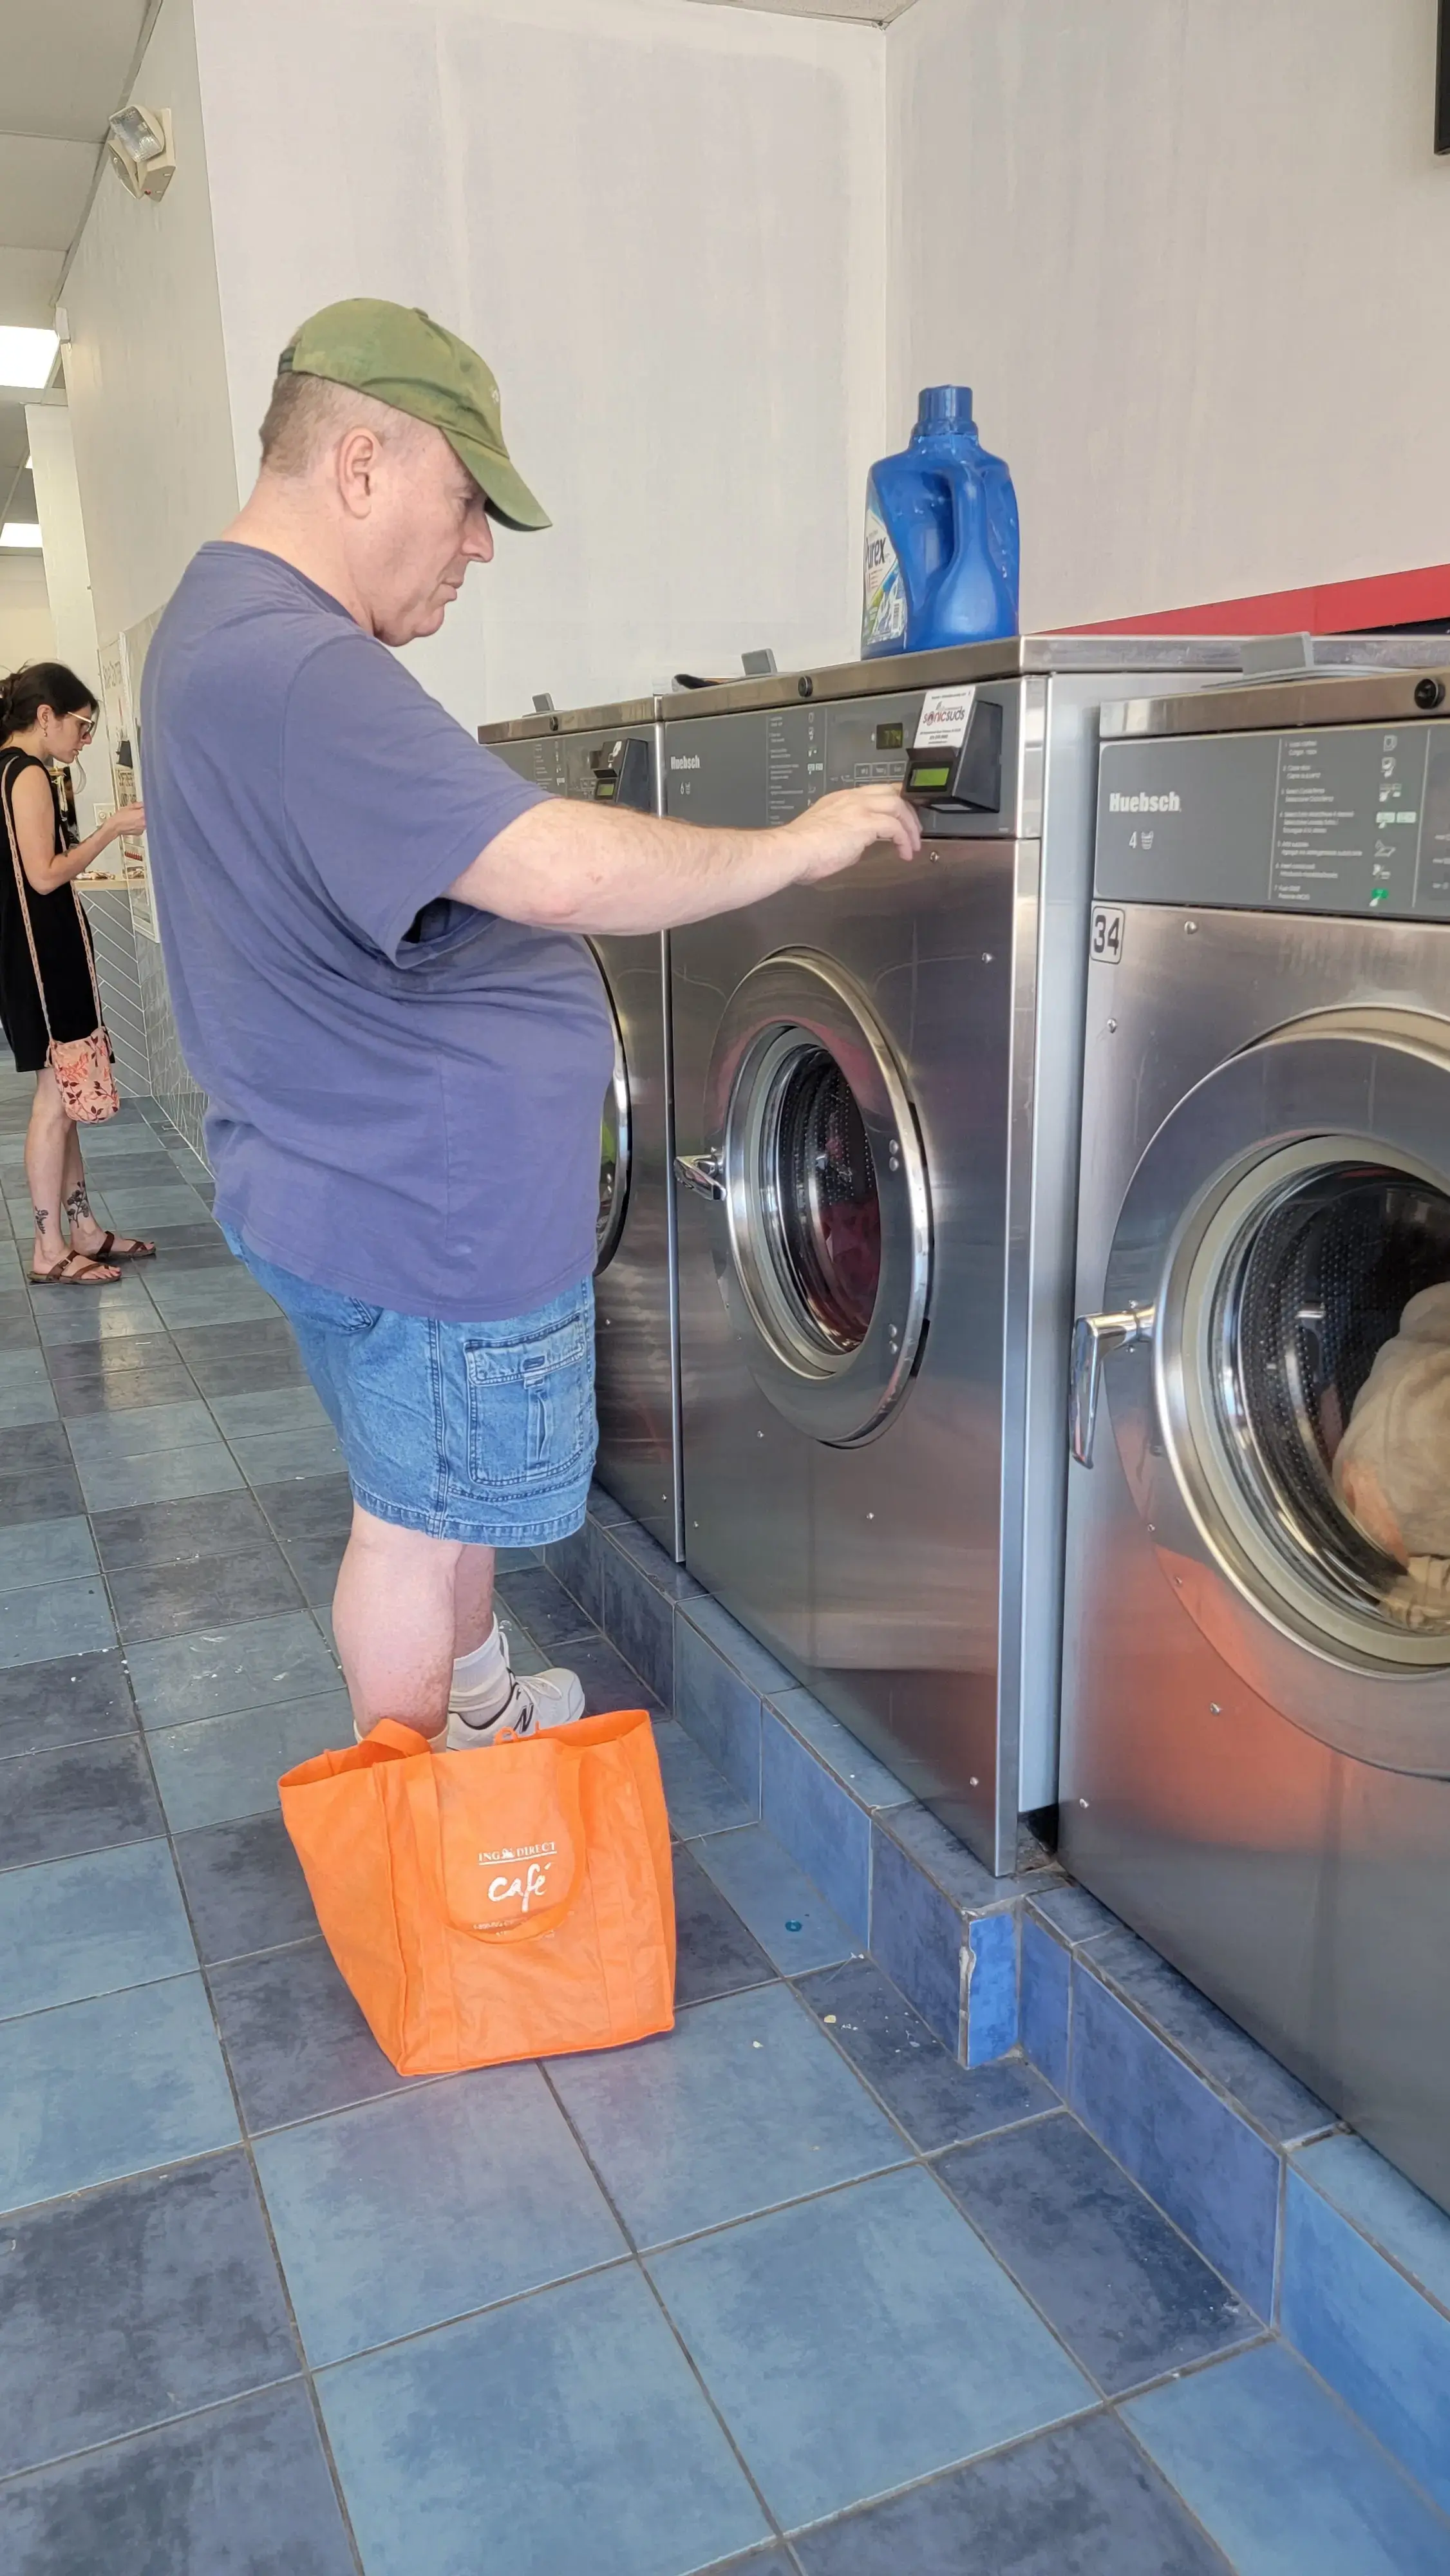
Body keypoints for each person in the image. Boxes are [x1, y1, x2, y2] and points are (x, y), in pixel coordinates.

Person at [142, 298, 919, 1753]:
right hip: (414, 1210)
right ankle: (414, 1823)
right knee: (410, 1527)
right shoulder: (303, 668)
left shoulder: (221, 628)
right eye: (466, 501)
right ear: (360, 464)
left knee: (429, 1496)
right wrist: (791, 848)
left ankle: (475, 1710)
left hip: (356, 1180)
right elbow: (555, 867)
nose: (479, 544)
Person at [0, 662, 154, 1284]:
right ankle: (48, 1248)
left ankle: (82, 1230)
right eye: (82, 726)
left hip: (35, 951)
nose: (85, 740)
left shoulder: (12, 768)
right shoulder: (28, 772)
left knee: (62, 1093)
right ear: (46, 717)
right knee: (54, 1101)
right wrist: (112, 829)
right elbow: (43, 875)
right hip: (41, 957)